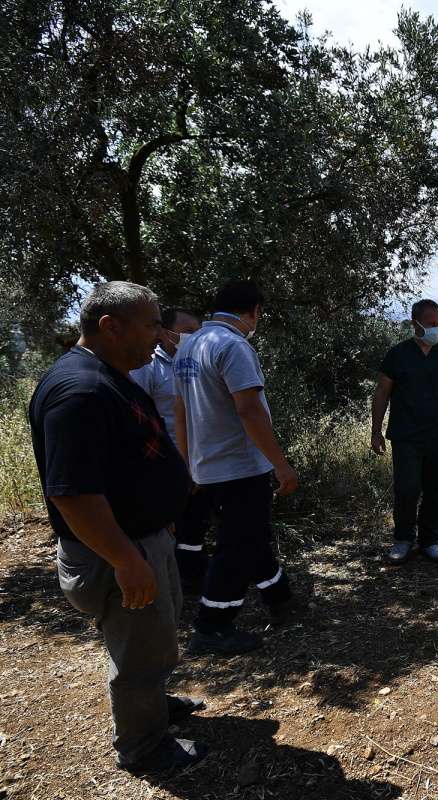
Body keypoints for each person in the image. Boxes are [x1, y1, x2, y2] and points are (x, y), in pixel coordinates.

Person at [28, 281, 207, 774]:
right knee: (138, 656)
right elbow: (72, 494)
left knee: (154, 639)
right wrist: (126, 559)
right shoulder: (80, 391)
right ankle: (144, 746)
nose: (161, 333)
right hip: (120, 551)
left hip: (144, 539)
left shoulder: (109, 375)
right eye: (152, 324)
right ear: (111, 327)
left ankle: (153, 707)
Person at [174, 279, 299, 656]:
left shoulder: (189, 346)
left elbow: (180, 411)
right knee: (237, 545)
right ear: (253, 311)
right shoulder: (233, 345)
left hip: (208, 465)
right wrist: (281, 465)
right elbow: (248, 409)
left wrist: (187, 462)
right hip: (240, 466)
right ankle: (212, 625)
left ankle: (279, 597)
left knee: (250, 533)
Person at [370, 299, 438, 564]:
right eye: (431, 324)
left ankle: (429, 541)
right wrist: (375, 430)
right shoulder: (398, 355)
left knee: (435, 490)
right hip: (406, 436)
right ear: (415, 324)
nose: (437, 328)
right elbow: (382, 392)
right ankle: (403, 539)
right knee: (407, 488)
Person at [130, 307, 209, 594]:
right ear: (165, 333)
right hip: (170, 461)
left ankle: (193, 570)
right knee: (178, 521)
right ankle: (183, 577)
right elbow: (140, 416)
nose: (193, 338)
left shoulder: (198, 362)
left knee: (197, 521)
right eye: (187, 332)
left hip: (203, 458)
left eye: (197, 332)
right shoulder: (148, 368)